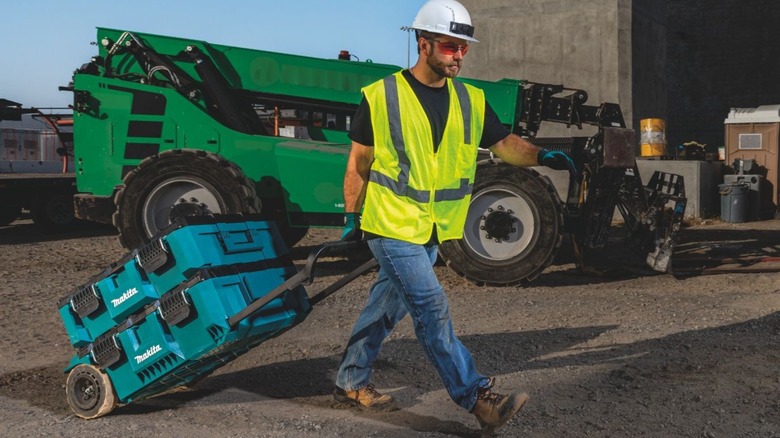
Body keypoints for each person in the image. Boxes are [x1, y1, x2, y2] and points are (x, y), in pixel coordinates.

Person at [332, 0, 577, 432]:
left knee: (387, 307)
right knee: (431, 306)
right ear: (423, 44)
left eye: (463, 47)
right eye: (449, 46)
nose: (458, 56)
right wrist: (353, 218)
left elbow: (503, 144)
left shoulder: (470, 99)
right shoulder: (382, 96)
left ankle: (351, 379)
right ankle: (477, 396)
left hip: (431, 227)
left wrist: (543, 156)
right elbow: (359, 164)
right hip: (390, 223)